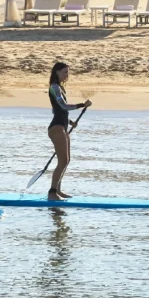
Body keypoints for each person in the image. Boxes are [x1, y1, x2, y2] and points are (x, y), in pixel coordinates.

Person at [47, 62, 91, 201]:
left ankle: (58, 190)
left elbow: (59, 111)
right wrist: (81, 105)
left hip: (62, 127)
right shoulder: (54, 87)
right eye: (65, 72)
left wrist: (70, 122)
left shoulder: (60, 88)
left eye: (68, 72)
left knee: (66, 161)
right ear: (57, 72)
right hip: (56, 128)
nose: (67, 75)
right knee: (63, 161)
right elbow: (62, 106)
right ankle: (52, 193)